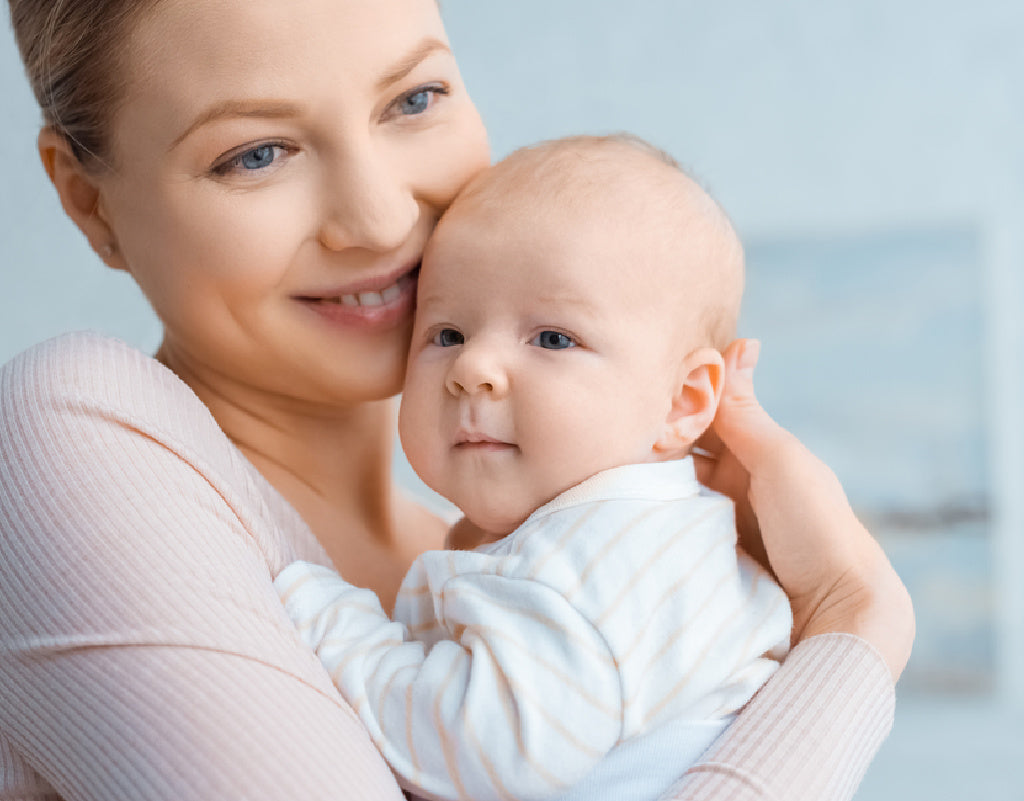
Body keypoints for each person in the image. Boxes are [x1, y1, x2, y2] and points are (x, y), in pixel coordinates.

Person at [0, 1, 913, 800]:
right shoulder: (74, 436)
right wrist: (855, 629)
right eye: (256, 153)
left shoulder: (495, 555)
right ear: (91, 205)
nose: (381, 219)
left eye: (414, 99)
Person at [275, 133, 794, 801]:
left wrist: (320, 612)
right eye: (448, 334)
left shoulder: (592, 562)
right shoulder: (644, 532)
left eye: (553, 338)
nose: (473, 370)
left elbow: (483, 749)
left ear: (683, 401)